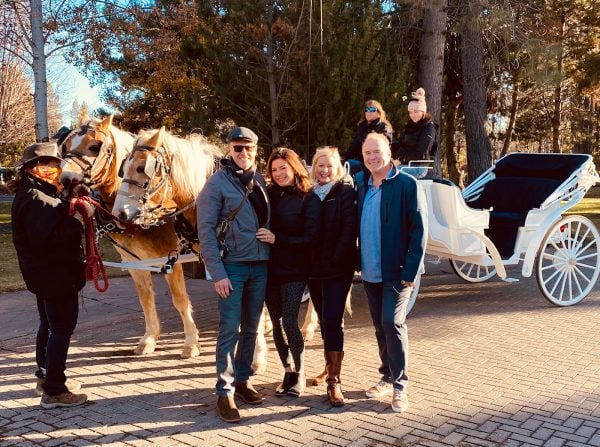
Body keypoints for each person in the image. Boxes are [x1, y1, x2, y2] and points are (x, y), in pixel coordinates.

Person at [10, 142, 94, 409]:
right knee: (61, 328)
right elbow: (51, 238)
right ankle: (55, 391)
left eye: (56, 163)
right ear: (32, 169)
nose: (54, 168)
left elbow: (54, 217)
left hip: (46, 276)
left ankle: (47, 378)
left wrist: (70, 200)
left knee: (48, 325)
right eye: (47, 164)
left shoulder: (38, 193)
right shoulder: (36, 199)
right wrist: (79, 218)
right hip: (55, 276)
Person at [196, 126, 270, 423]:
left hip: (260, 264)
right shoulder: (215, 184)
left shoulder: (261, 181)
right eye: (237, 148)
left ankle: (242, 380)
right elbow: (206, 232)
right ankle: (224, 391)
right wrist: (218, 274)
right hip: (233, 268)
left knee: (252, 329)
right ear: (229, 149)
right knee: (230, 329)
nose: (243, 154)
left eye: (248, 148)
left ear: (256, 150)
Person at [358, 132, 426, 413]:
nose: (372, 157)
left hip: (398, 273)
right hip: (370, 271)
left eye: (377, 151)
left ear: (388, 151)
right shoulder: (362, 185)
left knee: (392, 323)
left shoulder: (407, 185)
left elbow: (419, 230)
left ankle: (400, 385)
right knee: (378, 325)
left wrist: (410, 271)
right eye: (367, 154)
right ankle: (386, 374)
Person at [260, 148, 321, 397]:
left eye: (283, 168)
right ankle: (287, 371)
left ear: (294, 167)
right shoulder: (268, 195)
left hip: (295, 269)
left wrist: (277, 239)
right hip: (269, 268)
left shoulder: (308, 198)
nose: (278, 174)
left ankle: (301, 372)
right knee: (275, 322)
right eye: (274, 170)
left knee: (289, 321)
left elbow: (310, 238)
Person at [307, 146, 357, 407]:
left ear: (336, 168)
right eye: (319, 165)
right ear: (313, 167)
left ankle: (334, 381)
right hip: (314, 271)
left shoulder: (345, 192)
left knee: (332, 320)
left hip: (338, 268)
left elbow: (349, 229)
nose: (324, 170)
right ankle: (329, 366)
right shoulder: (310, 195)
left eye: (328, 165)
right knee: (325, 322)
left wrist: (336, 259)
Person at [393, 87, 437, 164]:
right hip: (406, 162)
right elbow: (403, 145)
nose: (412, 115)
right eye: (410, 112)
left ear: (423, 111)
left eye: (416, 112)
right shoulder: (411, 126)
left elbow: (421, 154)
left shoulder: (429, 128)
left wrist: (400, 159)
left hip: (417, 165)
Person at [345, 99, 394, 165]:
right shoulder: (361, 126)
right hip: (362, 159)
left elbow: (382, 146)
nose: (368, 112)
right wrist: (345, 158)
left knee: (359, 174)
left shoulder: (384, 127)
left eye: (372, 110)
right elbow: (355, 145)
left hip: (377, 161)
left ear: (379, 113)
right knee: (347, 163)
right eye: (366, 110)